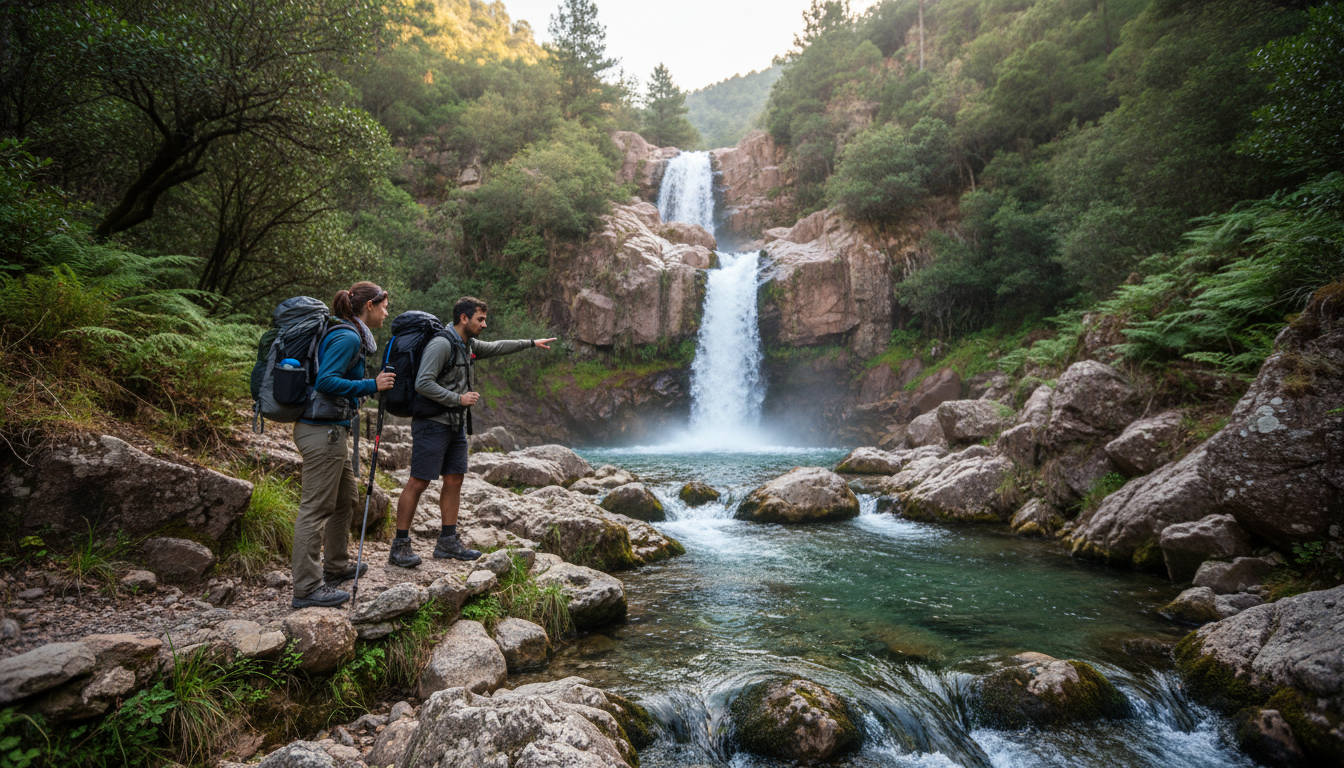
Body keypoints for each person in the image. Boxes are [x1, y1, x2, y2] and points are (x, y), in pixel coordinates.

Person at [389, 296, 555, 567]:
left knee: (455, 479)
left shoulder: (467, 344)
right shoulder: (442, 344)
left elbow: (498, 346)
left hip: (455, 426)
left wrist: (531, 343)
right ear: (463, 318)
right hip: (431, 424)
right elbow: (422, 383)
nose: (485, 324)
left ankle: (447, 542)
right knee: (419, 482)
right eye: (480, 319)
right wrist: (459, 400)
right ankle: (400, 545)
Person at [291, 282, 395, 609]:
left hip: (332, 430)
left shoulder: (352, 334)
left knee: (346, 498)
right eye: (384, 306)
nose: (386, 312)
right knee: (316, 507)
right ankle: (307, 588)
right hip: (322, 432)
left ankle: (335, 567)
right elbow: (326, 381)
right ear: (369, 306)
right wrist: (370, 385)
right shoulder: (348, 336)